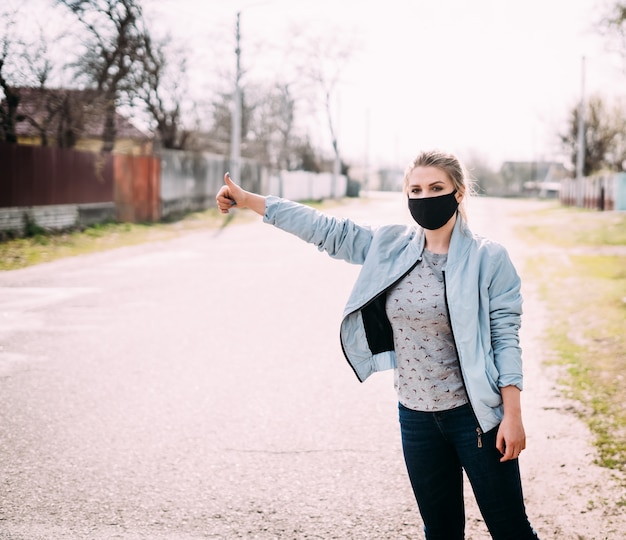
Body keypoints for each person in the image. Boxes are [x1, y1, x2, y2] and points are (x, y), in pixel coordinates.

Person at [216, 149, 539, 540]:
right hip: (416, 418)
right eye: (415, 189)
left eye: (436, 187)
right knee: (440, 531)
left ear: (458, 192)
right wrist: (251, 201)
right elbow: (325, 229)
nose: (424, 197)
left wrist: (513, 414)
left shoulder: (489, 258)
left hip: (477, 419)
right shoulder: (389, 246)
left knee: (510, 530)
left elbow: (506, 337)